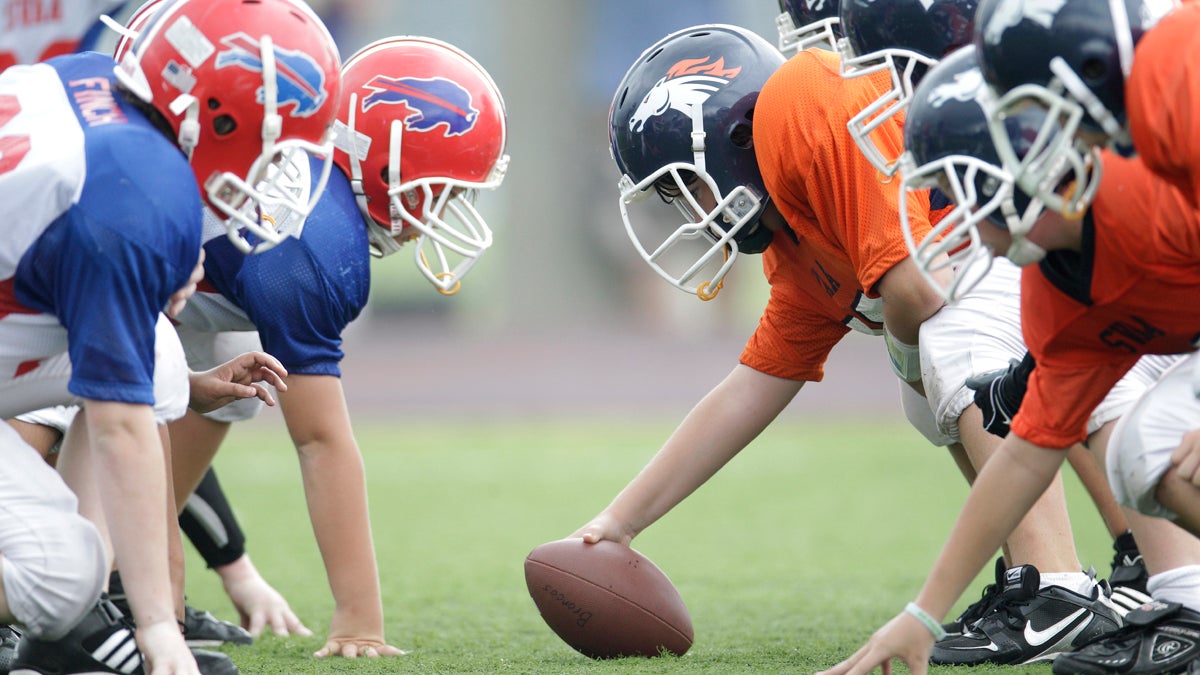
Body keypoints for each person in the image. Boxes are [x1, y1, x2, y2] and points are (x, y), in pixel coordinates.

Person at [572, 18, 1123, 665]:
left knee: (952, 345)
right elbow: (750, 389)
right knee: (934, 381)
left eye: (687, 184)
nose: (695, 214)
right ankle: (1095, 572)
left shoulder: (804, 103)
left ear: (732, 135)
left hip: (1059, 237)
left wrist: (911, 359)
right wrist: (619, 521)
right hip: (1028, 264)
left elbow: (918, 287)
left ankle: (1056, 587)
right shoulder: (795, 239)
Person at [819, 46, 1200, 675]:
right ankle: (1189, 611)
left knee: (1165, 431)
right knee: (1139, 439)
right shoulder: (1056, 277)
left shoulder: (1150, 188)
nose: (955, 211)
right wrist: (922, 614)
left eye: (962, 185)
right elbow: (1025, 456)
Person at [0, 0, 341, 672]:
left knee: (152, 350)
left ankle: (79, 628)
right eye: (273, 142)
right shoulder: (133, 192)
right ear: (208, 113)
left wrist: (188, 386)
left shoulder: (94, 79)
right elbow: (122, 424)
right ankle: (86, 610)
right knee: (57, 574)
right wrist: (160, 630)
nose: (275, 169)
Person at [164, 34, 509, 660]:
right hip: (63, 290)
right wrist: (359, 621)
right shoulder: (318, 250)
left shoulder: (309, 180)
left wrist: (232, 564)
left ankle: (129, 580)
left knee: (236, 383)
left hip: (162, 282)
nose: (452, 207)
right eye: (446, 188)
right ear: (388, 162)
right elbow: (320, 439)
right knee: (69, 467)